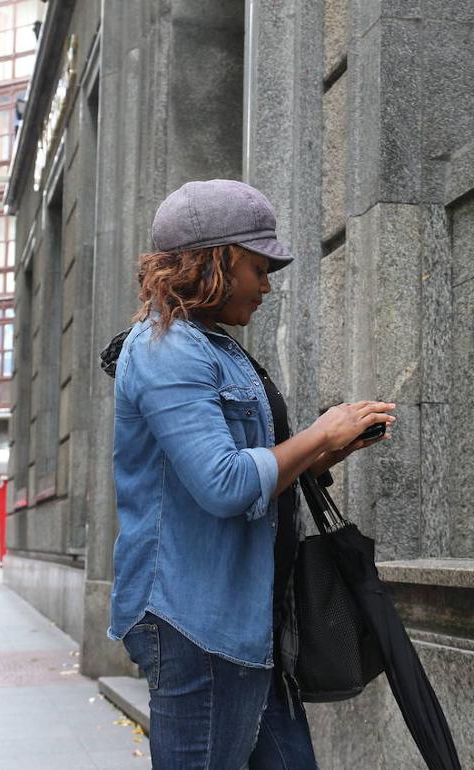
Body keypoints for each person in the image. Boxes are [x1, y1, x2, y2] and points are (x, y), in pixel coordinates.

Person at [105, 180, 395, 768]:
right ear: (214, 262)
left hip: (251, 618)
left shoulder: (215, 346)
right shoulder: (167, 348)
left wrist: (323, 455)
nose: (267, 286)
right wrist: (320, 432)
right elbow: (224, 484)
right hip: (198, 624)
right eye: (258, 268)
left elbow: (245, 471)